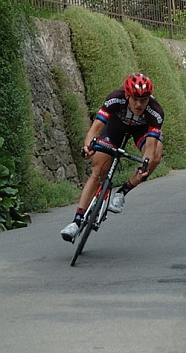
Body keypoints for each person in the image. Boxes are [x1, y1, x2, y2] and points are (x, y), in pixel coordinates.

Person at [60, 73, 164, 242]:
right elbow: (95, 129)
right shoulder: (115, 99)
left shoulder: (155, 112)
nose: (139, 104)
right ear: (127, 95)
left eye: (143, 100)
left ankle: (123, 192)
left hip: (141, 130)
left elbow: (150, 147)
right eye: (135, 99)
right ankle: (76, 222)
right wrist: (87, 147)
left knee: (156, 156)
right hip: (116, 127)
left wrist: (144, 166)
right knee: (98, 171)